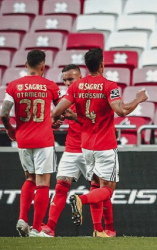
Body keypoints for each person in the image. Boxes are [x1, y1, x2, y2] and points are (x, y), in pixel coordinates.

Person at [52, 48, 148, 237]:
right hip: (105, 144)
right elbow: (121, 111)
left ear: (86, 67)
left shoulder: (76, 87)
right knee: (107, 189)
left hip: (86, 145)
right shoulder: (109, 86)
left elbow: (56, 112)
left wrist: (67, 117)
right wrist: (139, 98)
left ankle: (102, 231)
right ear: (102, 64)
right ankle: (82, 200)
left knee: (96, 184)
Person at [41, 64, 116, 237]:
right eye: (65, 80)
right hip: (71, 149)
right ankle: (50, 227)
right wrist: (55, 123)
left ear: (80, 78)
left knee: (98, 189)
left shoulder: (89, 98)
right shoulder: (65, 100)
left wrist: (72, 116)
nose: (67, 83)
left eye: (71, 79)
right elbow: (54, 119)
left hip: (90, 149)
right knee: (61, 187)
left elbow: (95, 123)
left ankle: (103, 229)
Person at [0, 49, 61, 237]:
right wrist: (55, 120)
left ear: (26, 65)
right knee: (43, 183)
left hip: (23, 140)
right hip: (44, 140)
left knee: (29, 178)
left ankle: (22, 218)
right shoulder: (50, 86)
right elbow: (61, 109)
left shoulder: (13, 85)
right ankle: (35, 228)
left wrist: (10, 129)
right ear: (43, 66)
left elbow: (3, 113)